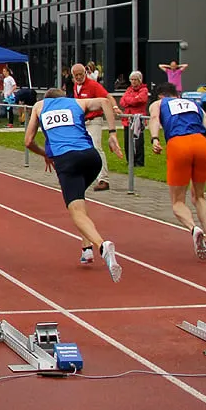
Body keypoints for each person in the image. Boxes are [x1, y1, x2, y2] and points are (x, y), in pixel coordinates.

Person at [24, 88, 126, 282]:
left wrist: (45, 153)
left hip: (66, 160)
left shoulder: (39, 106)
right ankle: (86, 249)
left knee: (76, 210)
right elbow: (105, 101)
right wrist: (112, 134)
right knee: (79, 199)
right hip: (91, 158)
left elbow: (28, 141)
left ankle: (102, 246)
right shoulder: (77, 102)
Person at [148, 82, 206, 259]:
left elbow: (154, 119)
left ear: (161, 96)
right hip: (201, 144)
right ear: (177, 95)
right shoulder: (196, 105)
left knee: (178, 201)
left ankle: (194, 228)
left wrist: (154, 139)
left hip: (178, 143)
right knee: (199, 196)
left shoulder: (159, 104)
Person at [71, 63, 114, 191]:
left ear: (85, 73)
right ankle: (85, 174)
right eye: (76, 75)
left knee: (96, 147)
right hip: (82, 121)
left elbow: (107, 96)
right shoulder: (75, 86)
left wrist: (115, 107)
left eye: (81, 74)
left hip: (94, 120)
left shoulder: (93, 85)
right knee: (81, 148)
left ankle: (103, 179)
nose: (79, 77)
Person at [120, 71, 149, 167]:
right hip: (127, 119)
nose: (133, 82)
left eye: (135, 79)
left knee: (138, 142)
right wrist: (132, 100)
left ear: (139, 80)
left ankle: (139, 162)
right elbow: (122, 102)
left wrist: (130, 100)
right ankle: (130, 161)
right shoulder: (129, 89)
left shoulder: (144, 90)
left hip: (138, 118)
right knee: (127, 141)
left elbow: (140, 100)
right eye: (131, 80)